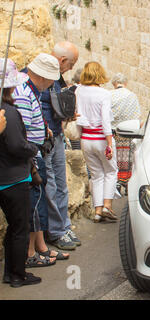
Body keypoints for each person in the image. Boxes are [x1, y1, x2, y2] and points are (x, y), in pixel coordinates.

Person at [14, 53, 70, 266]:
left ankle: (41, 248)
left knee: (38, 204)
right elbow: (25, 129)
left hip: (36, 152)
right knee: (35, 205)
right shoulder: (24, 91)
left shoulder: (30, 89)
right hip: (32, 156)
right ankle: (31, 254)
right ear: (44, 77)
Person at [0, 58, 41, 287]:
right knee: (20, 228)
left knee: (13, 229)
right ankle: (18, 275)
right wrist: (33, 148)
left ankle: (10, 273)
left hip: (4, 179)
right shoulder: (9, 112)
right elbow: (17, 146)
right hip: (13, 179)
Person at [40, 41, 81, 250]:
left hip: (56, 135)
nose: (71, 68)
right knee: (51, 185)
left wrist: (67, 114)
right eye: (71, 64)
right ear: (62, 60)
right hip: (44, 139)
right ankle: (56, 231)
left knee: (60, 183)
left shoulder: (56, 77)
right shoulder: (42, 75)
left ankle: (63, 227)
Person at [76, 62, 118, 223]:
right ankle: (107, 205)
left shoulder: (79, 91)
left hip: (86, 138)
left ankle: (97, 210)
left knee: (96, 175)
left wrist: (81, 136)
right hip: (101, 138)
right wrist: (109, 142)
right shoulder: (104, 94)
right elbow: (106, 120)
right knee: (111, 171)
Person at [110, 73, 141, 194]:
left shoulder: (109, 95)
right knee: (128, 160)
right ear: (126, 83)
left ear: (114, 84)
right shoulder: (132, 96)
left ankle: (116, 182)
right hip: (128, 133)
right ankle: (127, 183)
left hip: (113, 133)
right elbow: (137, 116)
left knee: (115, 158)